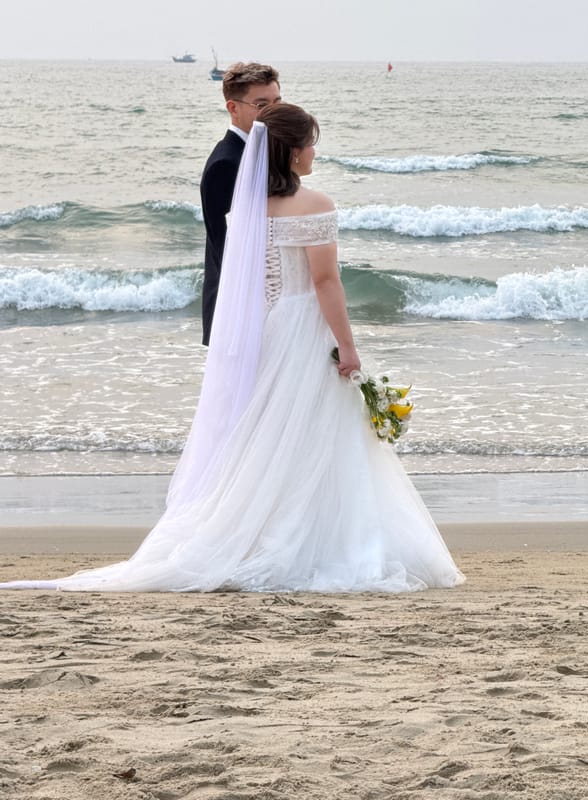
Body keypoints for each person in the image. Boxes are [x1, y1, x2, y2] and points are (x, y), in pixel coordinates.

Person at [0, 104, 464, 593]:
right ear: (290, 150)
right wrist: (348, 347)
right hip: (305, 326)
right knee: (315, 434)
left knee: (269, 433)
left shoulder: (249, 206)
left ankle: (257, 532)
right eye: (310, 143)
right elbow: (327, 283)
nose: (314, 153)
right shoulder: (316, 205)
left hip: (266, 329)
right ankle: (320, 540)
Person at [200, 62, 281, 345]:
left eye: (277, 101)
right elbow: (224, 244)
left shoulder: (260, 150)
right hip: (237, 308)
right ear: (233, 108)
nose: (273, 111)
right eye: (261, 104)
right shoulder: (226, 163)